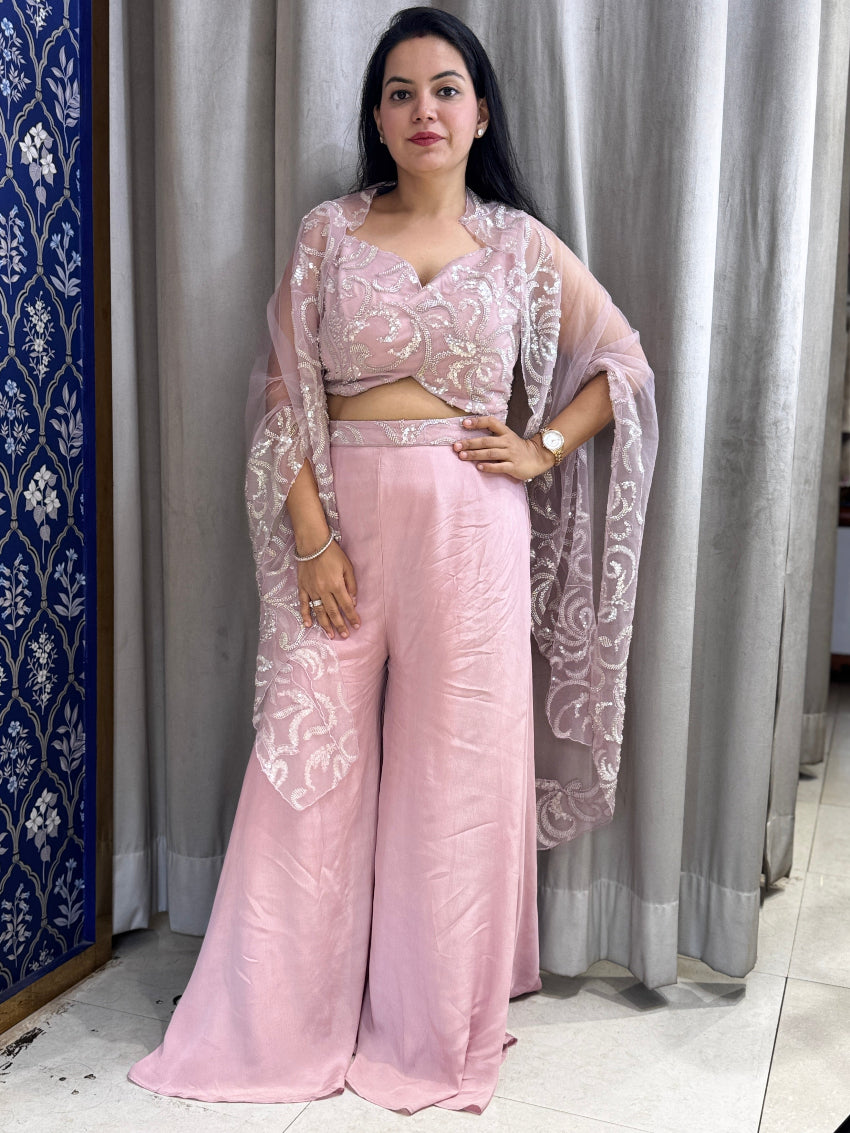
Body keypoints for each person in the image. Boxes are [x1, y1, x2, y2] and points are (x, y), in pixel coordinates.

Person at [127, 5, 657, 1116]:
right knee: (304, 777)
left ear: (478, 113)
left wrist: (541, 445)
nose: (425, 109)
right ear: (376, 115)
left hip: (474, 535)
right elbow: (283, 390)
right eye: (402, 91)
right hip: (342, 535)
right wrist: (313, 538)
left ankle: (430, 1032)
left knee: (455, 787)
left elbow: (623, 362)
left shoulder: (517, 244)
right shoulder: (328, 233)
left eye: (446, 88)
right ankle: (273, 1024)